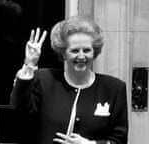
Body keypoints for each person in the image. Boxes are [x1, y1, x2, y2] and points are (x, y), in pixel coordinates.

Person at [10, 16, 128, 144]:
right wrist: (30, 64)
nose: (81, 56)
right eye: (75, 50)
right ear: (63, 53)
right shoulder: (45, 80)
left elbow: (119, 140)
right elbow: (19, 111)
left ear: (94, 52)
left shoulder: (113, 88)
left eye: (87, 50)